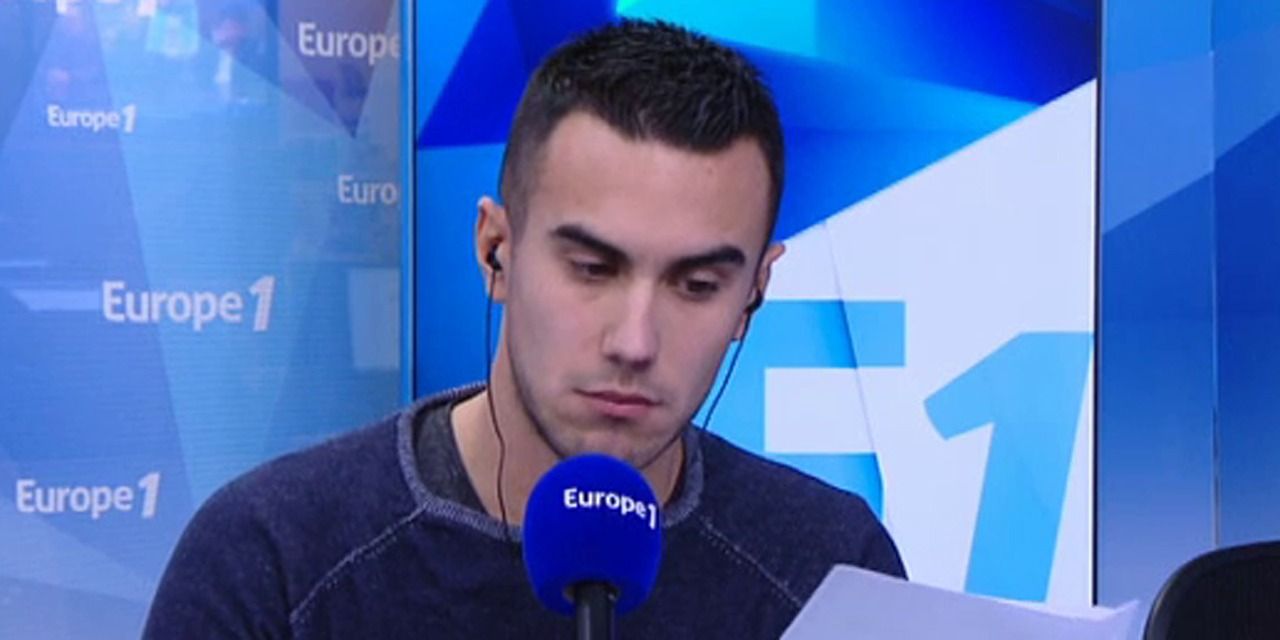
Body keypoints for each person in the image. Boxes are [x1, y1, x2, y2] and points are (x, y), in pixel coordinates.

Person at [143, 19, 905, 639]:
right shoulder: (275, 561)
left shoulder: (831, 573)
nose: (634, 342)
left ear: (755, 293)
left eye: (697, 285)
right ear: (496, 251)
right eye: (592, 269)